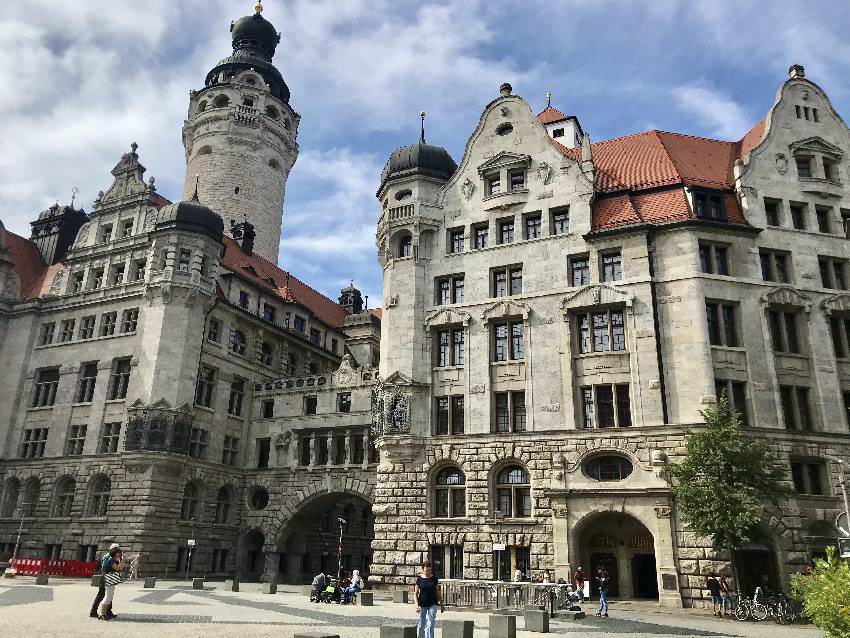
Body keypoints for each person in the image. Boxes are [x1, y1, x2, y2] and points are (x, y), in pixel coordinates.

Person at [90, 544, 119, 619]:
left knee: (107, 595)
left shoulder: (107, 555)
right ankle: (95, 611)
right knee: (103, 595)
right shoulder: (110, 557)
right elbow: (115, 567)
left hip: (105, 576)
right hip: (107, 577)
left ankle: (107, 611)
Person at [414, 561, 443, 638]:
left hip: (433, 603)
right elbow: (415, 593)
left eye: (429, 567)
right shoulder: (419, 579)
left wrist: (442, 604)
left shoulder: (434, 579)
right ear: (423, 568)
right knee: (421, 624)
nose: (428, 568)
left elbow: (438, 592)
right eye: (426, 567)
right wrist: (416, 605)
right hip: (422, 604)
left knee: (431, 623)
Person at [98, 545, 125, 620]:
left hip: (109, 578)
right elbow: (118, 568)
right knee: (108, 596)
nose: (119, 554)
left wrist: (121, 560)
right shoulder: (111, 559)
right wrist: (123, 560)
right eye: (118, 553)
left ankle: (104, 613)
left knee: (109, 596)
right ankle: (103, 614)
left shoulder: (111, 558)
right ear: (115, 553)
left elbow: (120, 567)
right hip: (109, 578)